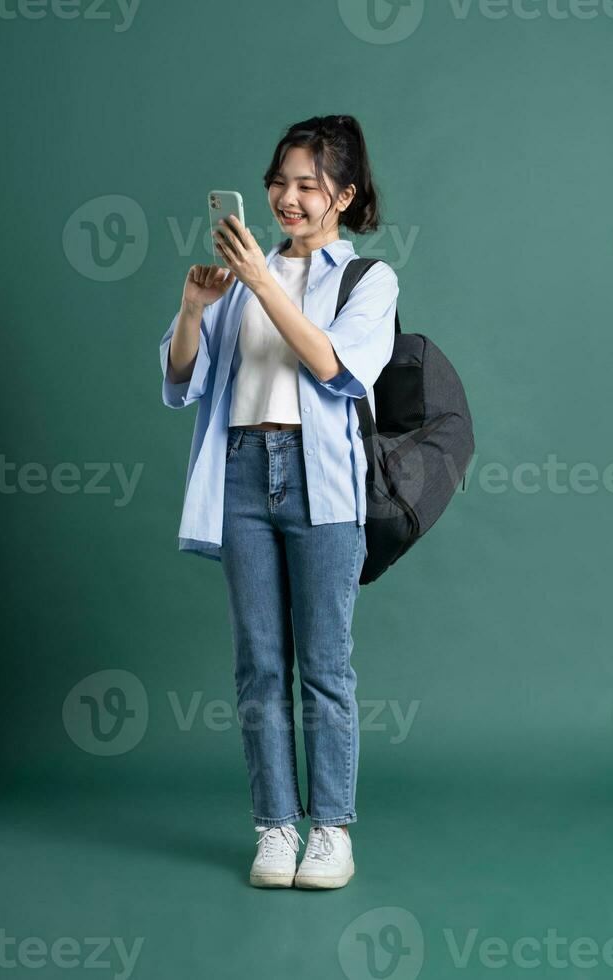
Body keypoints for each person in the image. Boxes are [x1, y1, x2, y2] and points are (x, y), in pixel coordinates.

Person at [159, 114, 399, 889]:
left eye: (307, 185)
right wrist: (196, 308)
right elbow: (180, 381)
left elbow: (336, 368)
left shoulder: (368, 280)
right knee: (259, 664)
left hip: (320, 477)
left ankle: (330, 829)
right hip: (241, 470)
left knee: (325, 665)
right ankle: (274, 827)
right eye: (279, 182)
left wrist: (265, 283)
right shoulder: (239, 274)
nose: (287, 198)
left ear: (344, 195)